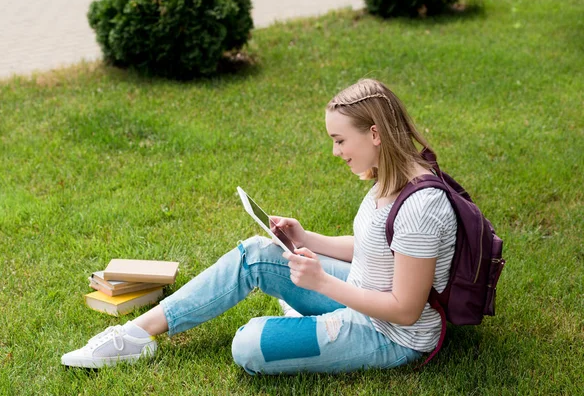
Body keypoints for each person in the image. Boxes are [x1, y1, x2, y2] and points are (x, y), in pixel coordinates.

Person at [61, 79, 457, 374]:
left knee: (248, 345)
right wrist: (305, 239)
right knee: (257, 252)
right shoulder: (387, 179)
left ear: (374, 134)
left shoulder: (420, 208)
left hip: (390, 334)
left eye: (339, 140)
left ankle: (308, 318)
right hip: (362, 291)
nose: (334, 151)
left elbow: (405, 310)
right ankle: (135, 335)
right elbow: (377, 249)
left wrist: (322, 284)